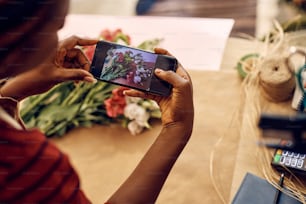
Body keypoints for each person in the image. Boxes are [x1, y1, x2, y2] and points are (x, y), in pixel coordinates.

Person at [0, 0, 194, 203]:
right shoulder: (22, 164)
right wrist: (176, 129)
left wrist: (9, 95)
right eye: (56, 27)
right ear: (19, 38)